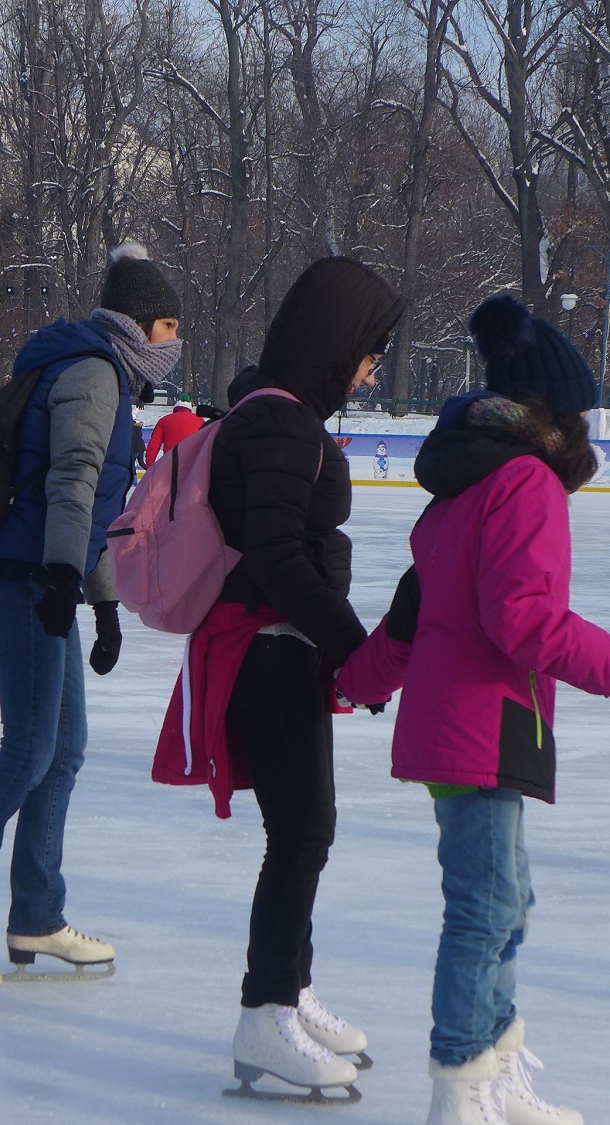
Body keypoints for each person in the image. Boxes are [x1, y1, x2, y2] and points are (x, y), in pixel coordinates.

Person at [337, 293, 610, 1125]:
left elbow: (413, 616)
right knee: (485, 907)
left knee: (506, 901)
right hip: (481, 727)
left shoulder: (464, 486)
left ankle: (497, 1070)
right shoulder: (524, 481)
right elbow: (524, 619)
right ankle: (460, 1085)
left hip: (469, 727)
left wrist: (354, 681)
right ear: (553, 415)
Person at [151, 257, 405, 1098]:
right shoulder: (282, 426)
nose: (371, 371)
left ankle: (287, 994)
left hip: (278, 646)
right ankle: (265, 1014)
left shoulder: (278, 414)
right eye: (369, 353)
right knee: (300, 834)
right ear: (336, 345)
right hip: (267, 648)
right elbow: (273, 553)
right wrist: (353, 644)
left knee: (305, 830)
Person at [0, 241, 182, 997]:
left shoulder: (100, 370)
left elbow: (91, 510)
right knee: (28, 751)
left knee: (63, 751)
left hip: (41, 573)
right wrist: (65, 579)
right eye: (169, 328)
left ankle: (35, 914)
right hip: (25, 578)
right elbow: (73, 483)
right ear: (140, 324)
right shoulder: (95, 374)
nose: (174, 344)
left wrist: (103, 602)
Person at [145, 394, 205, 465]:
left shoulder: (164, 420)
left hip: (170, 463)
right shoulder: (199, 420)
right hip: (192, 464)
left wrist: (150, 465)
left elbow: (154, 445)